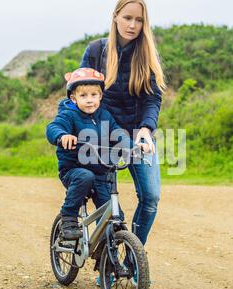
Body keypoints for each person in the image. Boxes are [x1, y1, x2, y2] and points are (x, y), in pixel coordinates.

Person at [80, 0, 166, 246]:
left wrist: (147, 130)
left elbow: (152, 98)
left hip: (138, 134)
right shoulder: (96, 51)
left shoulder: (147, 53)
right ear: (115, 16)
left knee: (150, 197)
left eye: (139, 20)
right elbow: (81, 93)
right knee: (108, 206)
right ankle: (108, 263)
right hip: (102, 135)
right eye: (128, 18)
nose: (133, 25)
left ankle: (131, 258)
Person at [46, 67, 148, 240]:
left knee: (115, 217)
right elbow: (53, 128)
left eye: (94, 95)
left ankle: (106, 250)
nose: (89, 100)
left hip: (101, 173)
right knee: (85, 176)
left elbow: (118, 135)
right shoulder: (68, 114)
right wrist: (62, 136)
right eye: (83, 96)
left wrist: (132, 147)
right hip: (74, 170)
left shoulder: (105, 116)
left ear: (100, 96)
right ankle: (68, 218)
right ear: (73, 98)